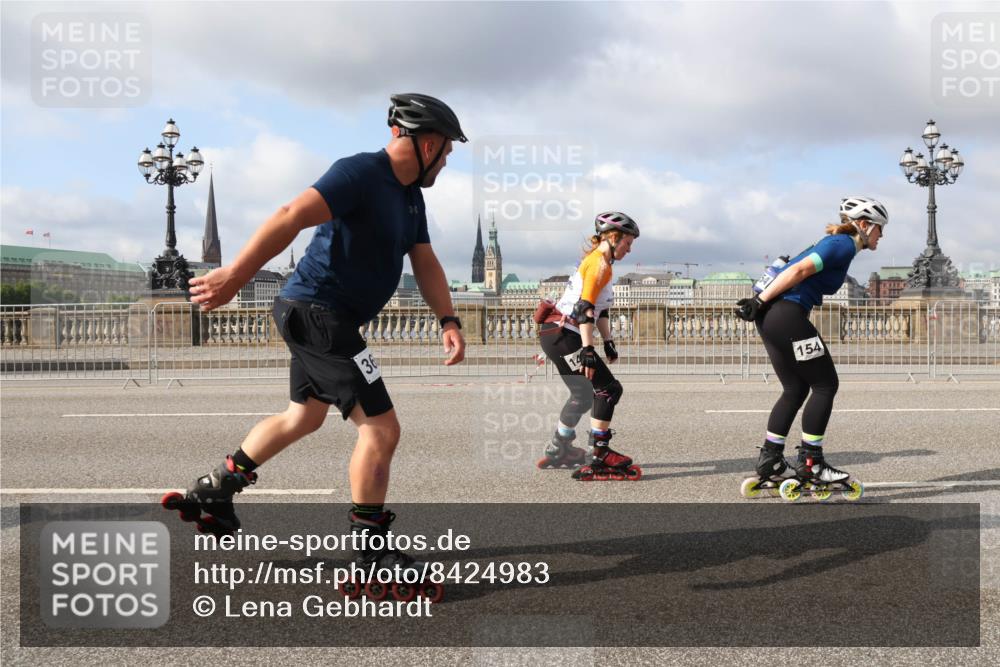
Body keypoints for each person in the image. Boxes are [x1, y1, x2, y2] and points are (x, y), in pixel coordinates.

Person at [162, 93, 467, 598]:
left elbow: (426, 262)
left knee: (300, 417)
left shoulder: (411, 197)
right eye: (449, 150)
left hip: (322, 315)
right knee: (382, 429)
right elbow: (291, 214)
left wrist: (448, 318)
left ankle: (216, 489)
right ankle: (370, 552)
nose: (449, 160)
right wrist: (237, 275)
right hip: (319, 313)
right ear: (428, 142)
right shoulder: (360, 173)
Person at [736, 196, 888, 500]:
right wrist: (759, 301)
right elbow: (799, 271)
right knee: (825, 384)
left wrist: (761, 305)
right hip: (786, 315)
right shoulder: (842, 244)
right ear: (864, 224)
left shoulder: (837, 244)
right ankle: (811, 463)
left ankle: (771, 460)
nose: (881, 236)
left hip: (774, 319)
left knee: (794, 389)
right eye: (879, 229)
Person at [535, 211, 642, 481]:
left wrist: (608, 342)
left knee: (582, 395)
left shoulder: (602, 264)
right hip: (566, 334)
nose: (629, 249)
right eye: (628, 243)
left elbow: (601, 311)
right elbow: (584, 310)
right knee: (608, 389)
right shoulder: (598, 265)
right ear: (613, 237)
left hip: (555, 334)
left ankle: (560, 447)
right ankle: (601, 454)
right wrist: (588, 350)